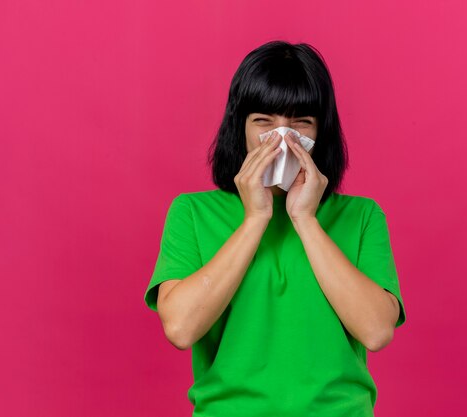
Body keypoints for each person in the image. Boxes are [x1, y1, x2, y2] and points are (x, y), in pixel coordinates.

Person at [144, 40, 407, 417]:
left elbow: (377, 331)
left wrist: (306, 219)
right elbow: (181, 329)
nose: (282, 140)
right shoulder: (192, 212)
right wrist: (255, 219)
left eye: (300, 123)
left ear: (322, 132)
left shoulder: (362, 216)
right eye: (264, 122)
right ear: (241, 128)